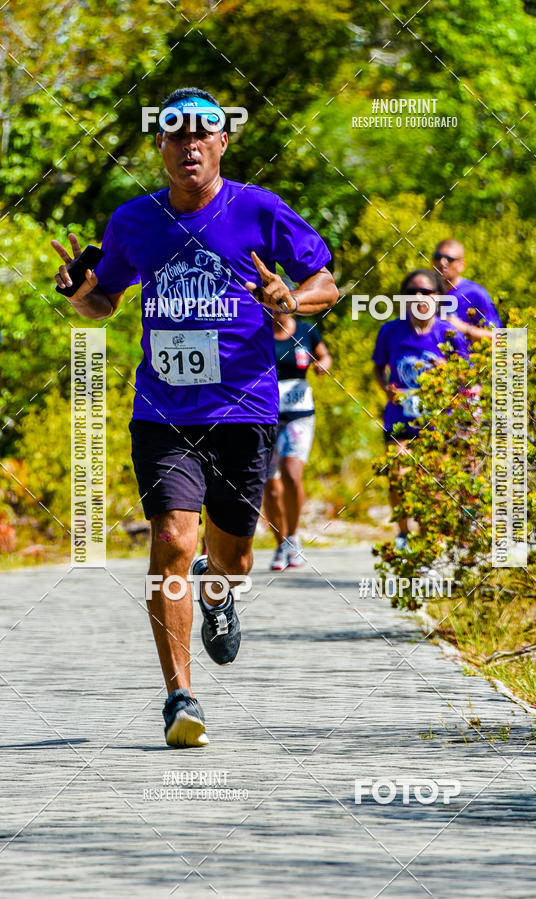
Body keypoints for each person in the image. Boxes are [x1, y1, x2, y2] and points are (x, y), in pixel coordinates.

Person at [51, 87, 338, 747]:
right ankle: (180, 697)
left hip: (243, 410)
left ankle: (219, 588)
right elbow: (104, 305)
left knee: (233, 557)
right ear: (161, 146)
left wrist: (289, 297)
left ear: (222, 142)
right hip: (164, 412)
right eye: (176, 133)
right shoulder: (134, 220)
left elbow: (324, 282)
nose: (190, 144)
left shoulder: (258, 208)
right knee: (173, 540)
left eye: (202, 132)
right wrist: (81, 292)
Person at [373, 269, 468, 552]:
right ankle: (403, 534)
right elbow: (378, 367)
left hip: (437, 423)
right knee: (397, 474)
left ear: (437, 297)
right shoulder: (390, 331)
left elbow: (466, 376)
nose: (418, 297)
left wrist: (448, 370)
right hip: (400, 418)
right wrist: (386, 388)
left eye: (425, 292)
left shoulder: (448, 333)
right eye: (411, 292)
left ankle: (430, 545)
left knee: (433, 486)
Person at [263, 307, 331, 571]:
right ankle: (280, 543)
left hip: (299, 415)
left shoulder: (306, 330)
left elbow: (324, 354)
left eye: (282, 304)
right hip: (266, 416)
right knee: (270, 484)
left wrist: (322, 364)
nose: (277, 310)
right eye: (271, 305)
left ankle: (293, 536)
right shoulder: (258, 331)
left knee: (291, 474)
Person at [432, 239, 502, 341]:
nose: (442, 262)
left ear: (462, 265)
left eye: (449, 259)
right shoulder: (422, 292)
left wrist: (465, 329)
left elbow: (503, 340)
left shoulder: (475, 294)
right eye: (438, 257)